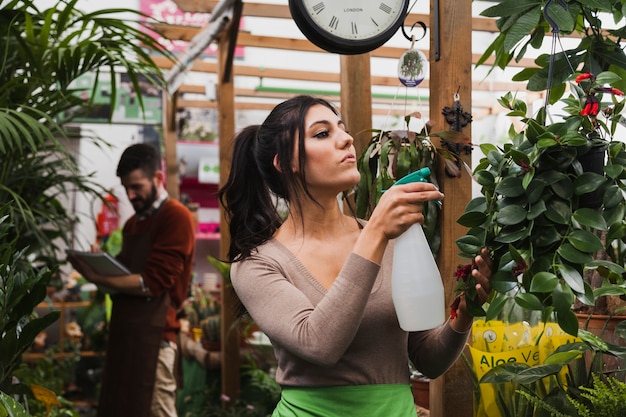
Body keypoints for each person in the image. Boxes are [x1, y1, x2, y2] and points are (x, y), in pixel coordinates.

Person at [218, 95, 493, 417]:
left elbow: (427, 359)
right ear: (285, 162)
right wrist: (375, 233)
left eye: (342, 128)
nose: (346, 138)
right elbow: (319, 344)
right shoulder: (259, 264)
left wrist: (467, 311)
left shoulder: (388, 240)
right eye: (322, 133)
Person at [68, 143, 196, 417]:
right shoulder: (133, 224)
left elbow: (153, 283)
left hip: (156, 336)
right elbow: (125, 272)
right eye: (126, 187)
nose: (130, 194)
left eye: (136, 186)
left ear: (158, 179)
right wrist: (99, 262)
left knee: (158, 410)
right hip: (127, 332)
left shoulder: (176, 216)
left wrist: (98, 276)